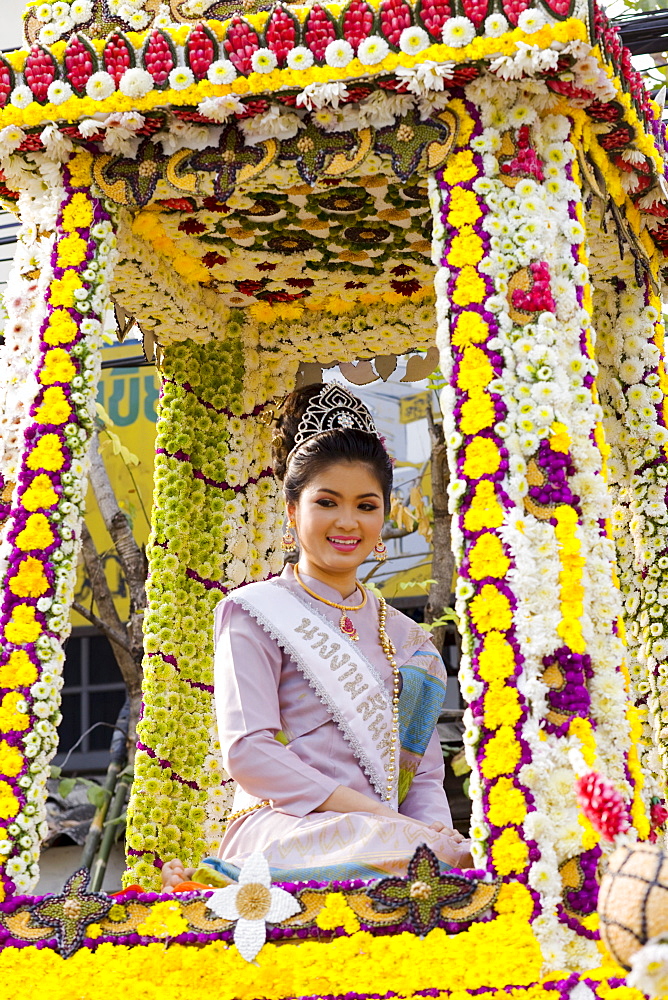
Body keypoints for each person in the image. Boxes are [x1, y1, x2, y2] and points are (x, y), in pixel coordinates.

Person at [162, 382, 470, 890]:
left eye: (366, 505)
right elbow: (250, 752)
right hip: (285, 828)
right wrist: (385, 820)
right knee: (415, 852)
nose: (347, 522)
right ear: (292, 511)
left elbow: (424, 777)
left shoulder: (411, 639)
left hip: (393, 835)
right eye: (327, 502)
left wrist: (433, 827)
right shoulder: (253, 613)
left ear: (384, 513)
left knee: (456, 856)